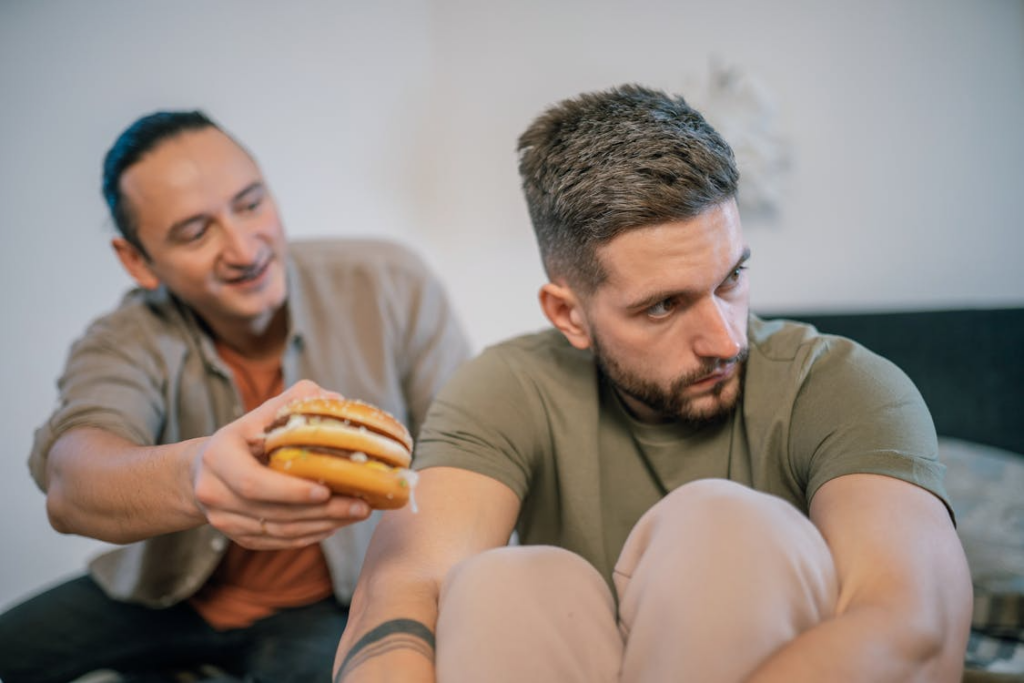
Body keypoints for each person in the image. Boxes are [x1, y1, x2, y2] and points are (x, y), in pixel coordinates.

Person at [332, 84, 973, 683]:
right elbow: (398, 596)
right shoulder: (506, 388)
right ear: (568, 315)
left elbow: (913, 628)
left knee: (723, 524)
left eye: (731, 279)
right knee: (503, 583)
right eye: (663, 306)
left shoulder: (841, 385)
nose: (725, 339)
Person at [0, 111, 470, 683]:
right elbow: (72, 483)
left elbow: (460, 456)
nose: (245, 250)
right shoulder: (122, 339)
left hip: (329, 608)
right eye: (195, 233)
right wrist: (197, 473)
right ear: (137, 261)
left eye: (250, 205)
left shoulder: (391, 283)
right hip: (160, 596)